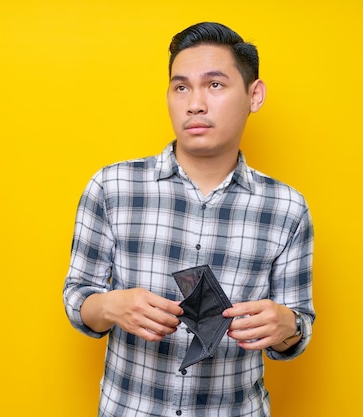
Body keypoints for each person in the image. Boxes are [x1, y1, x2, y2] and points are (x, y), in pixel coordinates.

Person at [63, 21, 315, 417]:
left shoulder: (287, 208)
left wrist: (288, 326)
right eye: (181, 87)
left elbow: (297, 328)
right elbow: (77, 296)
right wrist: (111, 306)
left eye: (215, 85)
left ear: (254, 95)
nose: (195, 103)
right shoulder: (111, 187)